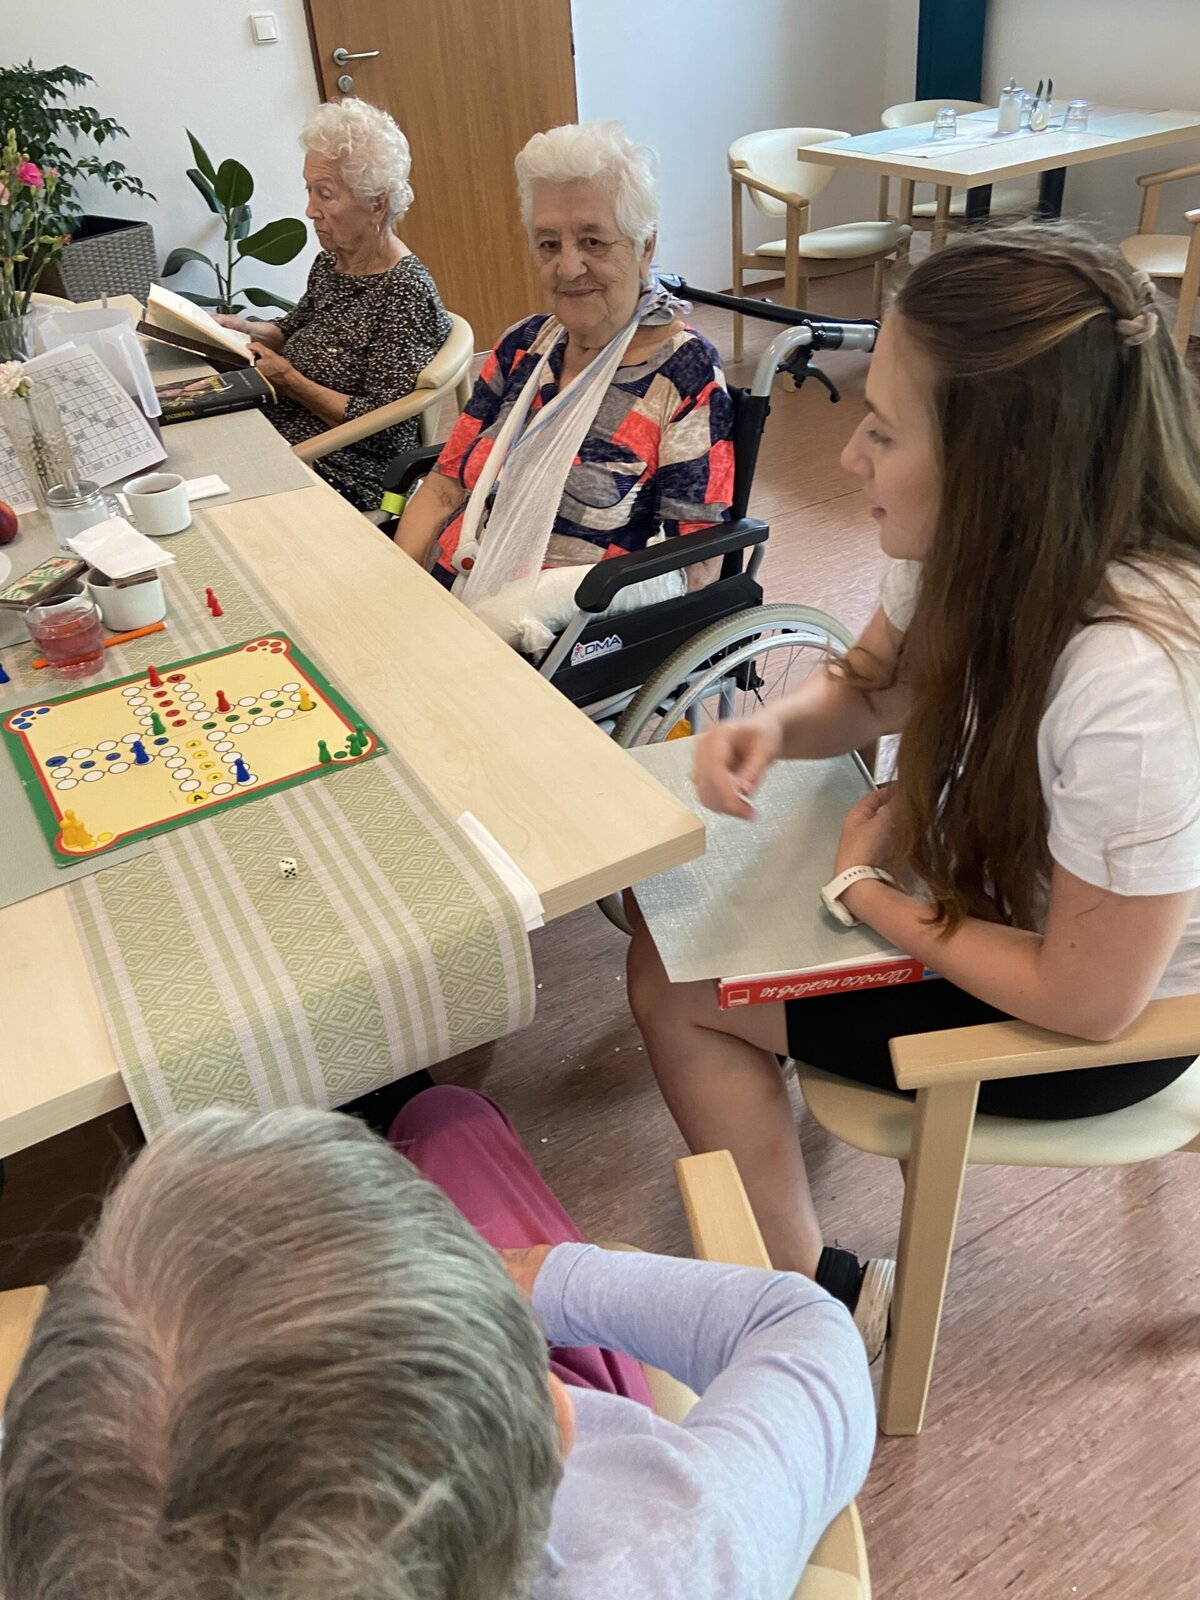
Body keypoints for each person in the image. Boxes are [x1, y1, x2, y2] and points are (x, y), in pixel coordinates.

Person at [626, 224, 1200, 1360]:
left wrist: (872, 896)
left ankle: (808, 1303)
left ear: (1000, 470)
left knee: (670, 981)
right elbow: (876, 686)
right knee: (679, 920)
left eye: (883, 431)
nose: (849, 457)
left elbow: (1090, 1002)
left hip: (1103, 1022)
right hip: (990, 893)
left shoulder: (1130, 682)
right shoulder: (974, 547)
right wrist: (773, 726)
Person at [0, 1090, 874, 1600]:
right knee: (449, 1118)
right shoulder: (667, 1547)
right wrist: (549, 1280)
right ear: (552, 1420)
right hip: (596, 1459)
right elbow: (804, 1330)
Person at [396, 121, 734, 633]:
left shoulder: (685, 373)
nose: (568, 267)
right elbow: (445, 486)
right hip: (451, 600)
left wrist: (533, 606)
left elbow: (698, 567)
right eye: (549, 244)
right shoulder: (522, 347)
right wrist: (398, 587)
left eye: (593, 241)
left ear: (644, 246)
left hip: (556, 636)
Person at [216, 98, 451, 511]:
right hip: (287, 426)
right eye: (309, 191)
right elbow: (293, 328)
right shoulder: (332, 262)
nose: (310, 210)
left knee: (214, 482)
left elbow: (385, 431)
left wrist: (290, 381)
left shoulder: (404, 292)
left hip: (347, 465)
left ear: (376, 203)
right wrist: (247, 328)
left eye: (325, 194)